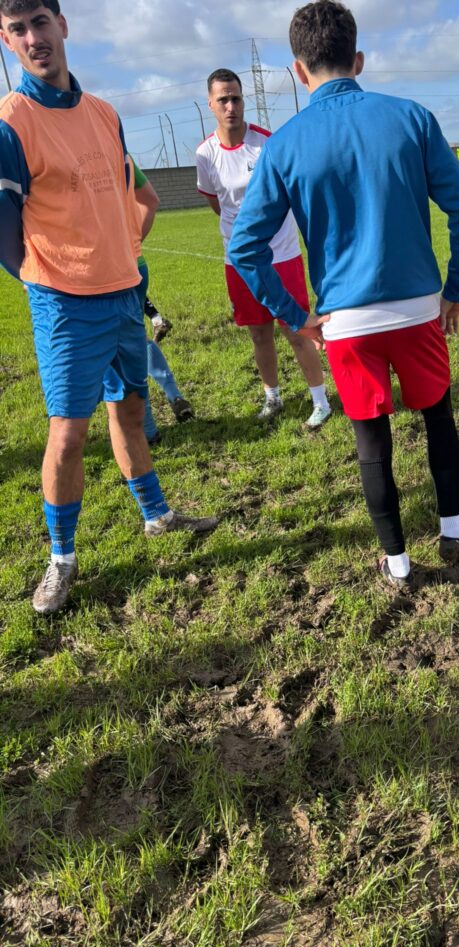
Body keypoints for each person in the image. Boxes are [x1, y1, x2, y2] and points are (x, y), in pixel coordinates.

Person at [228, 0, 459, 589]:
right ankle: (452, 532)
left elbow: (246, 248)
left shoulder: (284, 144)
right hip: (418, 310)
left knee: (371, 439)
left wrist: (296, 316)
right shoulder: (411, 117)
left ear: (299, 71)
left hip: (344, 323)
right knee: (439, 418)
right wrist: (454, 289)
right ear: (359, 60)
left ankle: (397, 564)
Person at [0, 0, 218, 614]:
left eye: (40, 22)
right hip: (65, 306)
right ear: (6, 41)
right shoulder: (12, 122)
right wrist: (41, 281)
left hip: (123, 292)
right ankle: (61, 560)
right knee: (69, 434)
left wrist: (123, 256)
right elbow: (3, 227)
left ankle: (157, 516)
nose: (33, 38)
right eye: (18, 29)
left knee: (130, 409)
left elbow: (125, 196)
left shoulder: (103, 112)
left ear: (63, 25)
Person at [195, 69, 332, 429]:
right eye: (223, 100)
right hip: (239, 261)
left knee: (297, 328)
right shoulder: (205, 154)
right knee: (259, 332)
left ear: (244, 101)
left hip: (281, 255)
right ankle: (273, 396)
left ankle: (321, 400)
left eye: (236, 98)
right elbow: (217, 203)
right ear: (210, 104)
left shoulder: (267, 143)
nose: (230, 106)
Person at [130, 159, 194, 442]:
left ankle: (146, 429)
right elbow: (151, 200)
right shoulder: (119, 153)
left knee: (118, 348)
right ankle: (174, 396)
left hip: (99, 270)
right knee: (136, 339)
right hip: (135, 264)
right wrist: (133, 243)